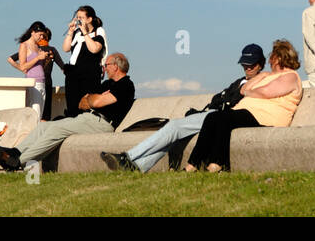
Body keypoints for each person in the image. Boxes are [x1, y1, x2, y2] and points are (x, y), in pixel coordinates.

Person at [100, 44, 265, 173]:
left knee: (174, 126)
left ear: (261, 65)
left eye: (252, 64)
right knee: (174, 135)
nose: (248, 68)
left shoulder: (263, 81)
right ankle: (138, 166)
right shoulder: (239, 81)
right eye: (245, 64)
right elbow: (217, 98)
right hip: (213, 115)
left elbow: (236, 104)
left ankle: (128, 157)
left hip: (225, 118)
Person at [0, 52, 134, 171]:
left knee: (57, 129)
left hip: (102, 123)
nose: (105, 68)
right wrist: (93, 98)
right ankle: (15, 152)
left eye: (107, 65)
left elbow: (95, 102)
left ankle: (17, 162)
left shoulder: (126, 84)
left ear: (116, 65)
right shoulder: (107, 84)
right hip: (87, 118)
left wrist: (93, 99)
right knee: (44, 126)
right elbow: (82, 103)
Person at [185, 40, 302, 172]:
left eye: (272, 57)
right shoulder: (268, 76)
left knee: (224, 119)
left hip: (266, 118)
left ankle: (217, 163)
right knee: (212, 117)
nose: (269, 61)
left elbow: (265, 92)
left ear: (279, 58)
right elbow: (243, 89)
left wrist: (251, 92)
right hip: (249, 113)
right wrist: (262, 76)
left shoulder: (291, 76)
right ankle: (193, 164)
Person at [59, 5, 106, 117]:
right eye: (77, 17)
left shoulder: (98, 32)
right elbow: (65, 48)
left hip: (89, 74)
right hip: (73, 73)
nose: (79, 20)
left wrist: (85, 33)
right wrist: (70, 31)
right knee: (72, 104)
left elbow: (94, 49)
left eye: (81, 17)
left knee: (86, 104)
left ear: (89, 19)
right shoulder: (76, 33)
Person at [8, 22, 56, 118]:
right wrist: (38, 58)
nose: (41, 37)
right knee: (35, 115)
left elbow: (38, 66)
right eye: (40, 35)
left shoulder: (38, 47)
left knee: (40, 114)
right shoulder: (24, 45)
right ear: (33, 32)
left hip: (42, 82)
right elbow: (23, 66)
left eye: (43, 35)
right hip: (33, 83)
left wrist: (45, 58)